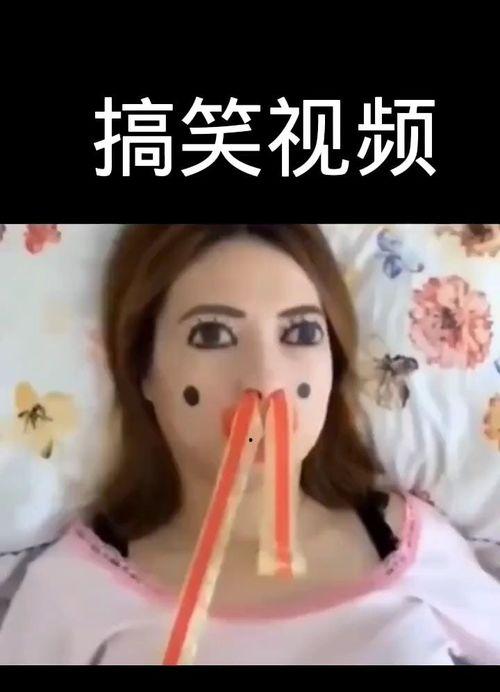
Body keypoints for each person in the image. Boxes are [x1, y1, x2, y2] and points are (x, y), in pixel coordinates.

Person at [0, 224, 499, 665]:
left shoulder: (411, 547)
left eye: (300, 332)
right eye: (212, 334)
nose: (264, 380)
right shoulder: (70, 593)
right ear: (143, 369)